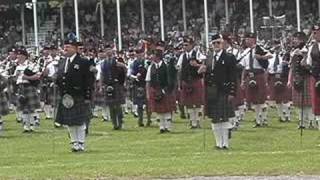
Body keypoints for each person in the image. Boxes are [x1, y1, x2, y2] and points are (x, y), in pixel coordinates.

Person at [198, 34, 237, 150]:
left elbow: (233, 76)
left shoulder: (229, 57)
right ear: (211, 44)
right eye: (214, 43)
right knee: (215, 118)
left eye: (218, 43)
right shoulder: (208, 57)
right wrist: (201, 70)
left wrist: (232, 92)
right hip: (211, 92)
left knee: (223, 118)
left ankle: (225, 143)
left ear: (222, 44)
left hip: (224, 91)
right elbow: (205, 74)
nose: (216, 45)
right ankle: (218, 143)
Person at [55, 38, 93, 152]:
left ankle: (81, 143)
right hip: (66, 96)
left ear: (76, 49)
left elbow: (88, 80)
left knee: (80, 121)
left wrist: (87, 96)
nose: (66, 49)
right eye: (65, 46)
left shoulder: (83, 62)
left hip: (78, 95)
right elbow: (60, 77)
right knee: (69, 122)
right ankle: (74, 142)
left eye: (69, 47)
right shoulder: (61, 62)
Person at [240, 32, 272, 128]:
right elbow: (244, 68)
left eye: (248, 39)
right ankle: (258, 120)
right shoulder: (246, 52)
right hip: (249, 75)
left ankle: (264, 119)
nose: (246, 41)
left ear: (253, 39)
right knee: (254, 100)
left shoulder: (259, 48)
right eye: (246, 39)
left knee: (261, 99)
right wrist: (242, 80)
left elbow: (270, 55)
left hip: (259, 75)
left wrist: (261, 57)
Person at [146, 41, 175, 133]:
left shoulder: (166, 66)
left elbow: (170, 80)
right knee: (159, 111)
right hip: (155, 89)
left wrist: (165, 90)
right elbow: (148, 80)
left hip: (165, 90)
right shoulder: (151, 67)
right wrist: (149, 92)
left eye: (153, 56)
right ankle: (161, 127)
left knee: (166, 110)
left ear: (158, 57)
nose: (152, 57)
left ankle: (168, 127)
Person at [177, 37, 204, 129]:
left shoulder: (198, 53)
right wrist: (180, 82)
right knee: (188, 103)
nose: (184, 47)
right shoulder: (182, 56)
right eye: (183, 45)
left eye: (186, 45)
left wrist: (197, 65)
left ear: (191, 45)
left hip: (196, 80)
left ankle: (197, 121)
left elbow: (204, 65)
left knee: (197, 102)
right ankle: (192, 122)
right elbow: (179, 69)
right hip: (186, 81)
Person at [288, 32, 313, 128]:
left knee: (308, 102)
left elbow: (310, 64)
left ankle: (311, 121)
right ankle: (302, 122)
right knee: (299, 103)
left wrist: (304, 54)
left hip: (307, 77)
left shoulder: (309, 49)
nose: (294, 41)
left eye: (296, 39)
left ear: (302, 40)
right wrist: (289, 80)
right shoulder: (294, 51)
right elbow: (292, 67)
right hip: (297, 77)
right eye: (294, 39)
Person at [98, 45, 127, 130]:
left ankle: (120, 122)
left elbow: (125, 70)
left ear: (112, 51)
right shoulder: (103, 63)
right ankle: (114, 124)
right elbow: (101, 75)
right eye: (106, 50)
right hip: (108, 85)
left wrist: (123, 81)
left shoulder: (117, 61)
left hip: (117, 84)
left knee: (118, 106)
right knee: (110, 105)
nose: (108, 52)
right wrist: (100, 86)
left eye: (109, 50)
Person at [306, 24, 320, 126]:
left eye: (317, 32)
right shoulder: (311, 47)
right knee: (317, 104)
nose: (315, 34)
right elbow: (308, 63)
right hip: (315, 78)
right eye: (314, 33)